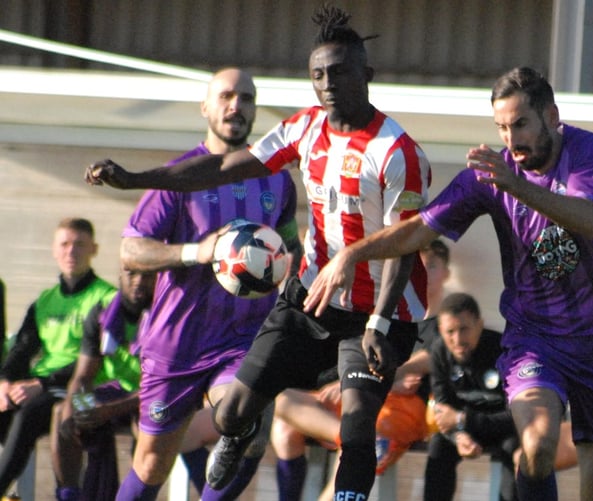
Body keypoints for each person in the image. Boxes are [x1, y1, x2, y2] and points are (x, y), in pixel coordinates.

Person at [85, 6, 432, 500]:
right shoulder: (304, 129)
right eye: (318, 74)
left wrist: (378, 321)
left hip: (377, 313)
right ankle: (239, 428)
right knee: (231, 417)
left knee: (356, 427)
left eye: (339, 71)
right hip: (307, 302)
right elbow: (222, 167)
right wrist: (137, 179)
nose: (328, 82)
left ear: (366, 75)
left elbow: (406, 241)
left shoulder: (398, 151)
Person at [301, 66, 593, 501]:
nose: (511, 140)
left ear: (551, 117)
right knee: (536, 446)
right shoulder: (492, 174)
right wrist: (353, 252)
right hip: (537, 338)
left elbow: (592, 220)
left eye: (521, 124)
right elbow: (419, 231)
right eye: (501, 127)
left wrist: (516, 186)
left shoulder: (586, 150)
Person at [95, 67, 302, 501]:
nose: (236, 106)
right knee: (151, 464)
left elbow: (288, 247)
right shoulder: (178, 178)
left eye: (246, 98)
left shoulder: (278, 179)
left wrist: (294, 265)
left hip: (243, 337)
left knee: (248, 428)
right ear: (205, 108)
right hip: (178, 342)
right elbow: (132, 252)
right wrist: (197, 252)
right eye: (226, 96)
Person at [272, 240, 450, 501]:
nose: (423, 271)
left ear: (446, 271)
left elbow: (433, 356)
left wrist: (394, 375)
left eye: (431, 266)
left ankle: (355, 442)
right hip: (358, 399)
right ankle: (350, 438)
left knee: (357, 437)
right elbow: (356, 357)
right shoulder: (387, 314)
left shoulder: (447, 319)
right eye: (417, 265)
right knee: (283, 410)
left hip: (399, 411)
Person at [0, 217, 116, 496]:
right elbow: (21, 350)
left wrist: (41, 383)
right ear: (54, 249)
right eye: (64, 244)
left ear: (94, 249)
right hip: (45, 386)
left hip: (92, 389)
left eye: (79, 244)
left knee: (33, 412)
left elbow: (99, 357)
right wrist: (4, 381)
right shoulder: (45, 300)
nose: (71, 251)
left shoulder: (107, 298)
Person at [51, 263, 156, 501]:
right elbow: (83, 376)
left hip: (156, 397)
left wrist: (109, 411)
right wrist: (77, 408)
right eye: (131, 273)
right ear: (120, 275)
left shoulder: (167, 315)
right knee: (63, 413)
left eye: (148, 274)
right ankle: (70, 495)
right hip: (119, 391)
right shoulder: (102, 313)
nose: (139, 280)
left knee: (146, 427)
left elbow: (162, 388)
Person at [424, 292, 517, 501]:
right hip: (463, 429)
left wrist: (463, 420)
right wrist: (458, 436)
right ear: (440, 330)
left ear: (480, 324)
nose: (457, 340)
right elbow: (442, 407)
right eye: (450, 331)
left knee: (517, 450)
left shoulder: (504, 351)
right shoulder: (439, 352)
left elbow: (516, 417)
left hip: (502, 428)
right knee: (439, 446)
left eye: (464, 329)